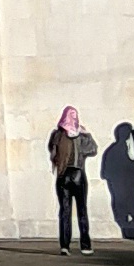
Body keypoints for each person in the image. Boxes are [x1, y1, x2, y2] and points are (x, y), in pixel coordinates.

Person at [47, 103, 93, 252]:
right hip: (78, 173)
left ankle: (65, 246)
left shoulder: (57, 134)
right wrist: (87, 134)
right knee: (82, 210)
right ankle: (85, 245)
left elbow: (51, 149)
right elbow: (92, 150)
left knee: (65, 211)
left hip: (62, 175)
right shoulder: (81, 135)